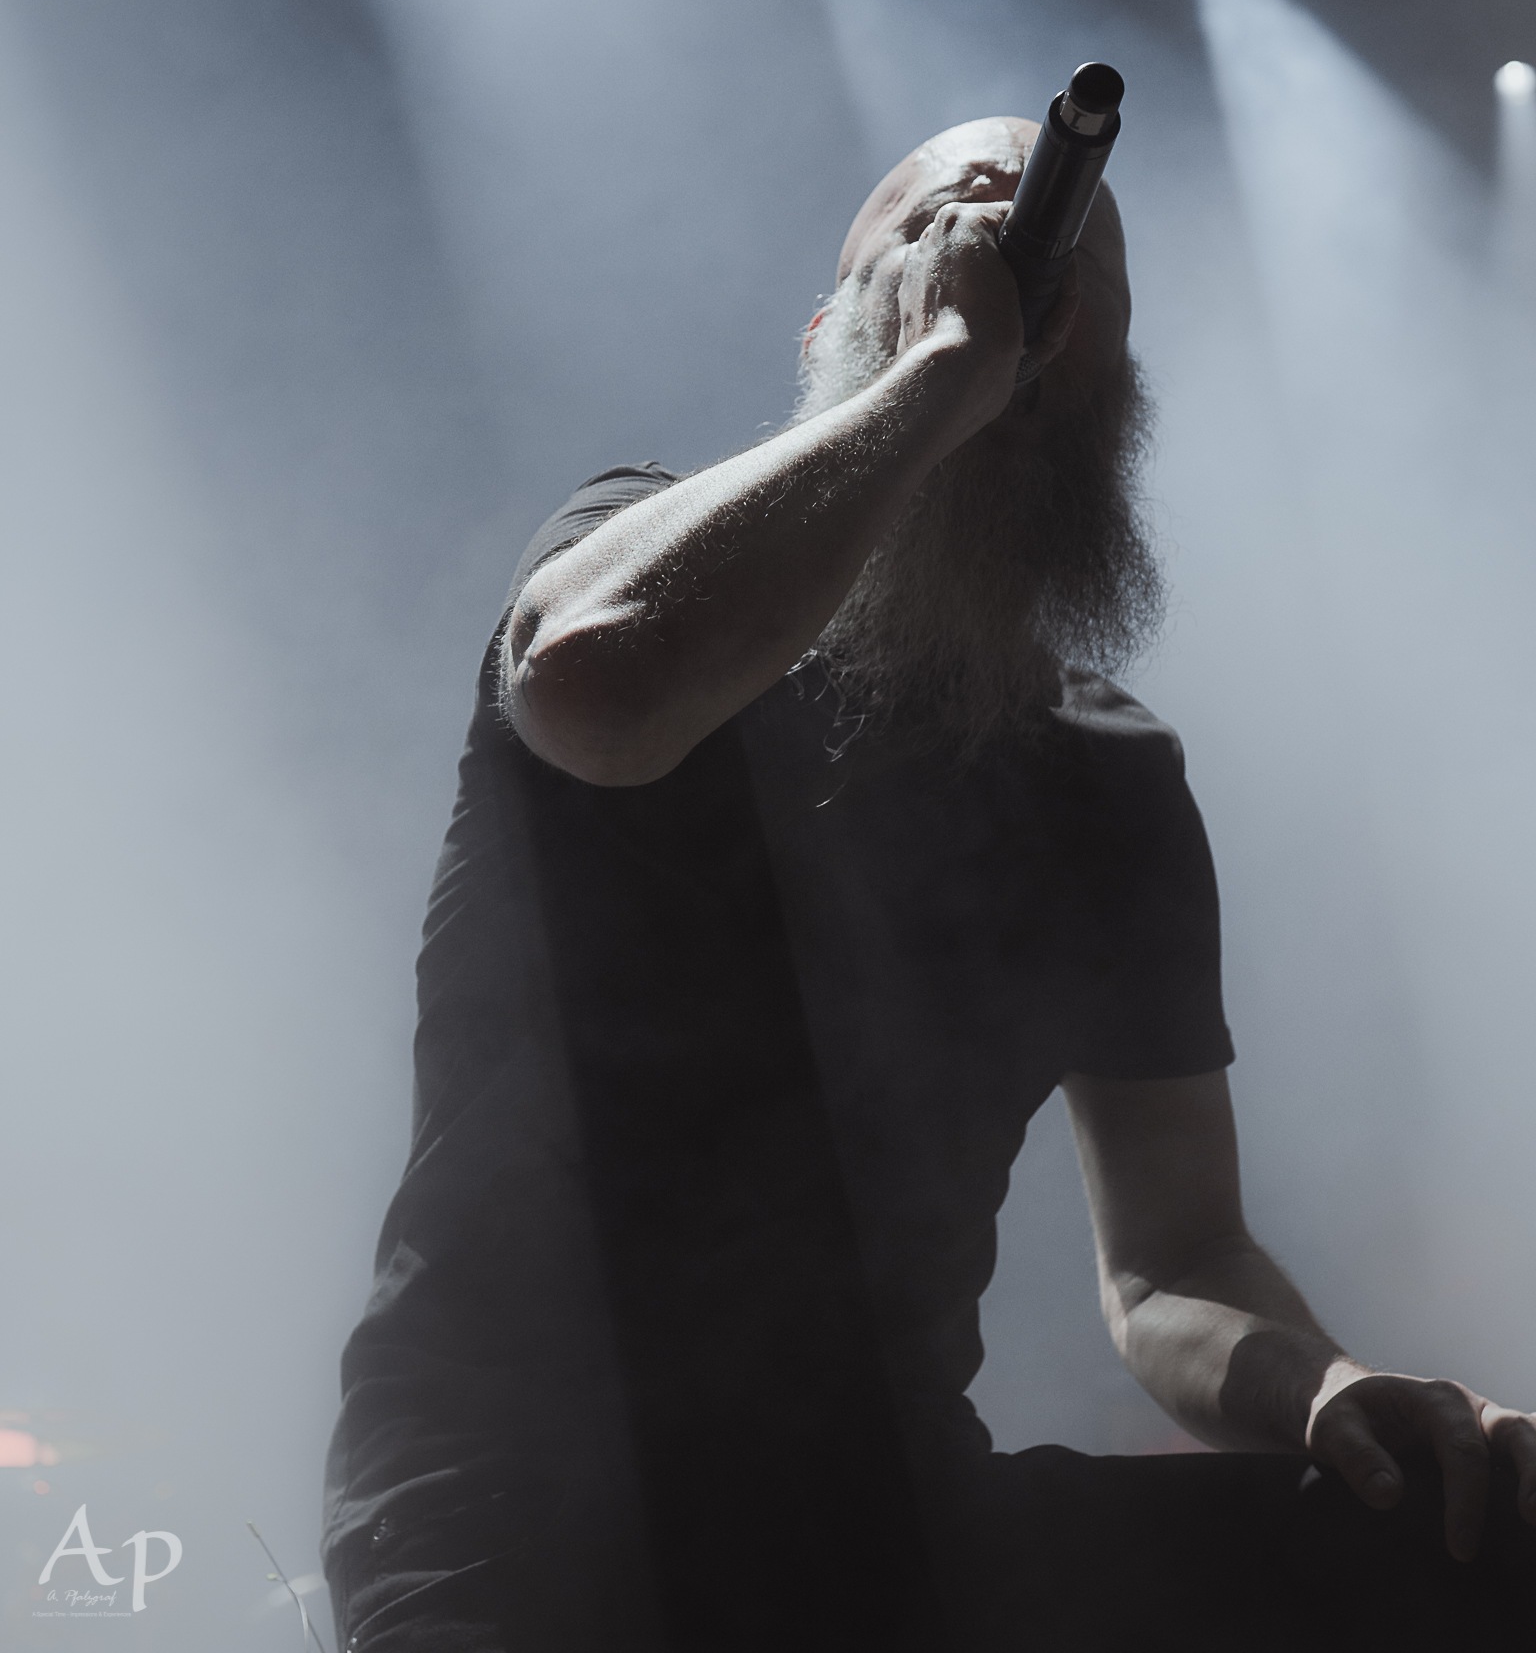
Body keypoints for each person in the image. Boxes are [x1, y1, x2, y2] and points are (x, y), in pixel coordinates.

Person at [322, 116, 1536, 1653]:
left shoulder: (1106, 775)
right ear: (830, 335)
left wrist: (1327, 1388)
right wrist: (947, 374)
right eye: (950, 236)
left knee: (1483, 1536)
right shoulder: (630, 542)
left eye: (1064, 282)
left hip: (887, 1516)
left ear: (1121, 388)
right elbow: (594, 691)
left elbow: (1175, 1261)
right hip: (527, 1505)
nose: (1017, 290)